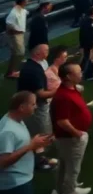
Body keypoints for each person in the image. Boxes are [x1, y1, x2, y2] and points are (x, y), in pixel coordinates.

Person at [50, 63, 92, 194]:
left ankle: (63, 189)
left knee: (64, 165)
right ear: (68, 76)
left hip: (70, 137)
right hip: (71, 138)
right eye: (78, 72)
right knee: (72, 169)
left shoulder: (71, 89)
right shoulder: (63, 97)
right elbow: (62, 121)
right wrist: (77, 134)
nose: (81, 74)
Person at [0, 91, 53, 194]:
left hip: (21, 180)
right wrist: (31, 145)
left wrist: (36, 143)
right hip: (15, 185)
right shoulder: (8, 131)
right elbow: (3, 162)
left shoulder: (17, 120)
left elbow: (17, 145)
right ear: (22, 107)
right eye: (33, 104)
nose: (36, 107)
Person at [16, 43, 56, 172]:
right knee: (43, 134)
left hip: (32, 105)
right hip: (37, 107)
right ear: (37, 53)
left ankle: (39, 158)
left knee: (38, 133)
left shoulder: (31, 66)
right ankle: (39, 161)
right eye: (46, 51)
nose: (48, 53)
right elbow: (40, 94)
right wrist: (59, 91)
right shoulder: (34, 70)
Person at [4, 0, 29, 79]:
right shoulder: (14, 13)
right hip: (15, 35)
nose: (28, 2)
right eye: (26, 1)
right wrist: (14, 33)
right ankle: (10, 72)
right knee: (18, 53)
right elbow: (8, 24)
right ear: (22, 2)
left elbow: (26, 12)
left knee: (18, 53)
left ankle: (12, 71)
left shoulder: (22, 10)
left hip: (20, 34)